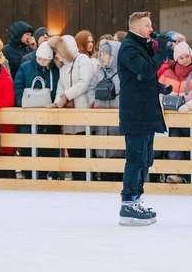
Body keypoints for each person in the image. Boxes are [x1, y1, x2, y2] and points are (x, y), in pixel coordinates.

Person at [117, 12, 170, 226]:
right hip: (135, 114)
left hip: (144, 112)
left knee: (146, 159)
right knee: (136, 158)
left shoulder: (141, 45)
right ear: (136, 28)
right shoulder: (129, 47)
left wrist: (159, 87)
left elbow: (141, 79)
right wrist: (162, 50)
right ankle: (128, 203)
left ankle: (136, 199)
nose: (151, 28)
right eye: (147, 25)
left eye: (151, 24)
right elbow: (146, 70)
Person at [158, 41, 192, 184]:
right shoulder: (167, 73)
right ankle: (176, 173)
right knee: (175, 145)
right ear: (176, 59)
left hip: (190, 118)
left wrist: (189, 105)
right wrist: (160, 104)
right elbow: (158, 92)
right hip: (172, 118)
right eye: (181, 57)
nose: (185, 60)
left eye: (187, 56)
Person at [47, 35, 94, 181]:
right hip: (69, 112)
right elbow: (60, 86)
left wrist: (66, 95)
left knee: (83, 145)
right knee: (72, 148)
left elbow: (84, 82)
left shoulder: (83, 60)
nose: (56, 55)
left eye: (58, 51)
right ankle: (76, 178)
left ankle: (86, 179)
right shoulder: (63, 67)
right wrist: (57, 102)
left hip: (82, 109)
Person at [14, 41, 61, 180]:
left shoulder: (55, 70)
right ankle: (29, 177)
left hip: (49, 118)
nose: (41, 62)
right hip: (28, 118)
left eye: (45, 60)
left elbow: (59, 87)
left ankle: (46, 177)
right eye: (39, 59)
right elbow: (18, 88)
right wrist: (22, 102)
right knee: (28, 150)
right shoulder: (25, 68)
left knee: (48, 150)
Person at [87, 40, 124, 182]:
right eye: (100, 54)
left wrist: (109, 104)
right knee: (103, 160)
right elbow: (91, 89)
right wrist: (95, 103)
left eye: (105, 54)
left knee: (118, 157)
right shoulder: (98, 73)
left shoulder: (122, 73)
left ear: (113, 56)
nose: (101, 57)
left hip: (117, 123)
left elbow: (125, 94)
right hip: (101, 123)